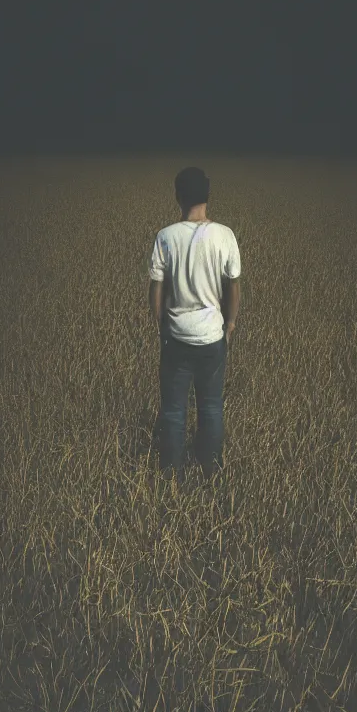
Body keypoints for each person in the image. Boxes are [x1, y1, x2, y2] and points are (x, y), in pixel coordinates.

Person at [148, 167, 241, 482]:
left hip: (176, 338)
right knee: (211, 408)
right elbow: (233, 286)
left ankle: (170, 481)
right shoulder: (224, 235)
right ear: (207, 196)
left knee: (174, 413)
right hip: (212, 338)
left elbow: (157, 289)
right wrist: (229, 324)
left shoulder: (166, 236)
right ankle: (210, 475)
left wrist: (162, 326)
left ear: (178, 197)